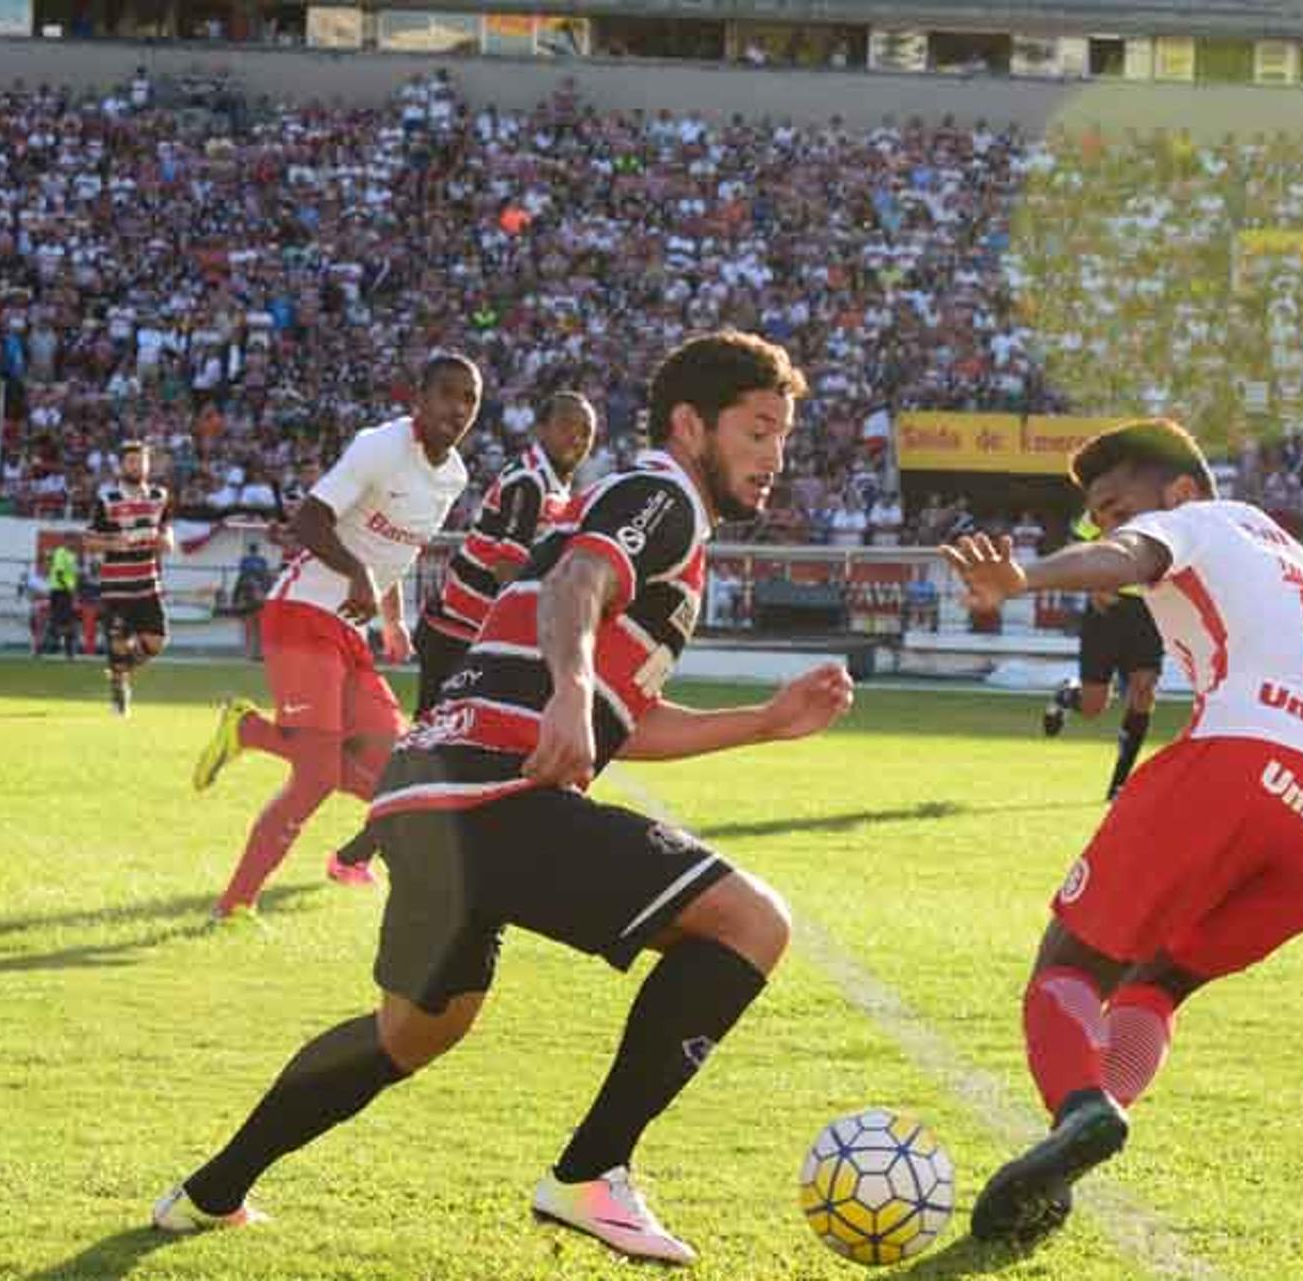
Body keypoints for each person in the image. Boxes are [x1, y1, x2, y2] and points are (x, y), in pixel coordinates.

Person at [152, 331, 852, 1266]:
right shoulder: (662, 498)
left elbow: (622, 722)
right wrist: (566, 689)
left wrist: (763, 721)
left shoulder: (663, 526)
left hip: (432, 798)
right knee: (751, 922)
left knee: (412, 1031)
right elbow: (576, 581)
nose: (775, 457)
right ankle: (592, 1173)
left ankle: (209, 1192)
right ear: (692, 424)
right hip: (491, 794)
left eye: (783, 436)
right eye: (759, 430)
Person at [940, 419, 1303, 1246]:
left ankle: (1084, 1108)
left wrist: (1025, 576)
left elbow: (1132, 556)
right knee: (1154, 983)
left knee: (1067, 967)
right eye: (1094, 514)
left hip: (1247, 758)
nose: (1104, 525)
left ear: (1175, 491)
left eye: (1112, 504)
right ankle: (1076, 1145)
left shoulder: (1201, 519)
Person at [191, 354, 481, 912]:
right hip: (302, 612)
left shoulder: (454, 477)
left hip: (350, 633)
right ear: (418, 398)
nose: (458, 408)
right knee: (318, 773)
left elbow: (396, 552)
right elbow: (308, 520)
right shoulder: (380, 446)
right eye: (446, 393)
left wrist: (392, 619)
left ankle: (252, 736)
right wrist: (356, 574)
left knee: (394, 770)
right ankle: (234, 906)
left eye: (469, 399)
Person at [330, 391, 599, 876]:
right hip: (458, 632)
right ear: (541, 427)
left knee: (452, 748)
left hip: (478, 636)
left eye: (586, 431)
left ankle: (371, 849)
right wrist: (535, 629)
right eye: (568, 426)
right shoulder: (529, 482)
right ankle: (363, 847)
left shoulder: (556, 485)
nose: (577, 438)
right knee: (431, 748)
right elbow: (507, 564)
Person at [1042, 515, 1162, 800]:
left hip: (1152, 611)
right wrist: (1092, 584)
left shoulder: (1170, 506)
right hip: (1108, 609)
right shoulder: (1113, 500)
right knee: (1093, 706)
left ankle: (1119, 785)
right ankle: (1068, 696)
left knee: (1143, 690)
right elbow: (1080, 542)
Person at [86, 441, 175, 716]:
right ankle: (119, 684)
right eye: (131, 461)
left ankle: (119, 671)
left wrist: (166, 541)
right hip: (116, 588)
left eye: (141, 461)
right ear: (121, 466)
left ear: (149, 465)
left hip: (148, 584)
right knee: (119, 641)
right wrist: (115, 542)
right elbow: (89, 540)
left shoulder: (160, 496)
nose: (137, 466)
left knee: (158, 641)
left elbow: (166, 530)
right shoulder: (107, 500)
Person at [40, 539, 80, 660]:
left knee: (65, 621)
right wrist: (69, 588)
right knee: (61, 622)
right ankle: (44, 647)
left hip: (67, 592)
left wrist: (73, 589)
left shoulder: (72, 555)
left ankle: (66, 651)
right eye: (72, 541)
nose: (74, 544)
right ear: (67, 541)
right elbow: (59, 573)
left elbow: (70, 574)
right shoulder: (60, 553)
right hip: (60, 591)